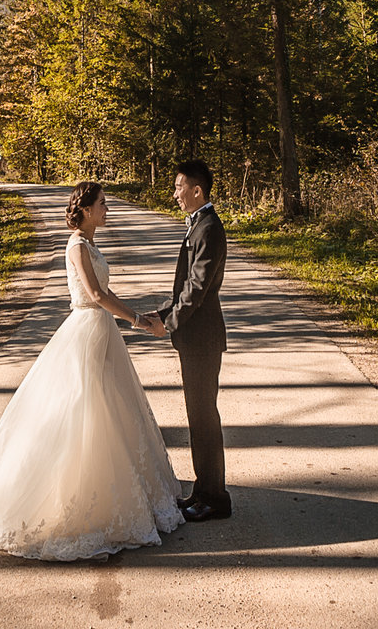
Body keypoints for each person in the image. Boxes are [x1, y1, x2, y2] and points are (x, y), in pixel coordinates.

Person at [0, 182, 185, 559]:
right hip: (85, 329)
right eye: (101, 204)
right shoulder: (77, 245)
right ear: (84, 209)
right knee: (81, 408)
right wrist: (137, 319)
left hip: (102, 332)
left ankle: (119, 486)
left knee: (110, 408)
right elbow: (97, 296)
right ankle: (72, 496)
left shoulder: (92, 242)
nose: (106, 209)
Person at [136, 160, 230, 520]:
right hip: (195, 338)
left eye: (179, 187)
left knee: (204, 418)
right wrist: (162, 314)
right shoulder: (200, 225)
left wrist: (169, 323)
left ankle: (216, 499)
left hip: (202, 339)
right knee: (198, 416)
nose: (175, 194)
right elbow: (185, 288)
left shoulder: (208, 228)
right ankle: (202, 490)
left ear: (197, 191)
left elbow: (198, 289)